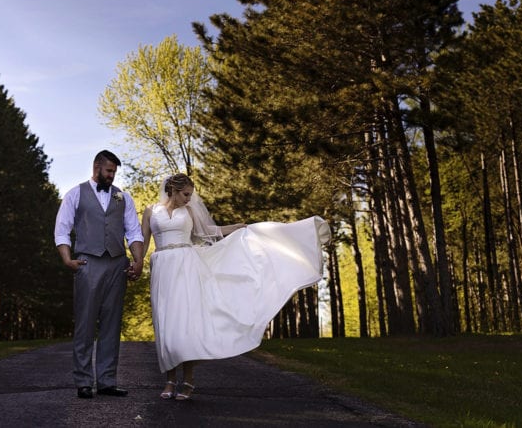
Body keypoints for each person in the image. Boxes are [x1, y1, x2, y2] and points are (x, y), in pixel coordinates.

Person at [141, 173, 330, 401]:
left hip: (186, 266)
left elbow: (207, 232)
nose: (189, 199)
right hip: (162, 266)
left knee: (185, 325)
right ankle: (170, 380)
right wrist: (135, 263)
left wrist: (239, 227)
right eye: (185, 194)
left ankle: (187, 378)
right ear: (172, 189)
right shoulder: (151, 211)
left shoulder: (189, 211)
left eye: (190, 195)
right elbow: (143, 240)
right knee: (166, 324)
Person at [54, 150, 145, 399]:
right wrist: (67, 259)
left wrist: (138, 260)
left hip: (117, 264)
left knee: (111, 323)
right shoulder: (75, 193)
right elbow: (62, 229)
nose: (112, 176)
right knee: (85, 322)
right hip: (87, 262)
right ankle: (83, 381)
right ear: (96, 167)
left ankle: (107, 381)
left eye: (114, 172)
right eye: (109, 171)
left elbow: (134, 232)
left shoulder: (122, 197)